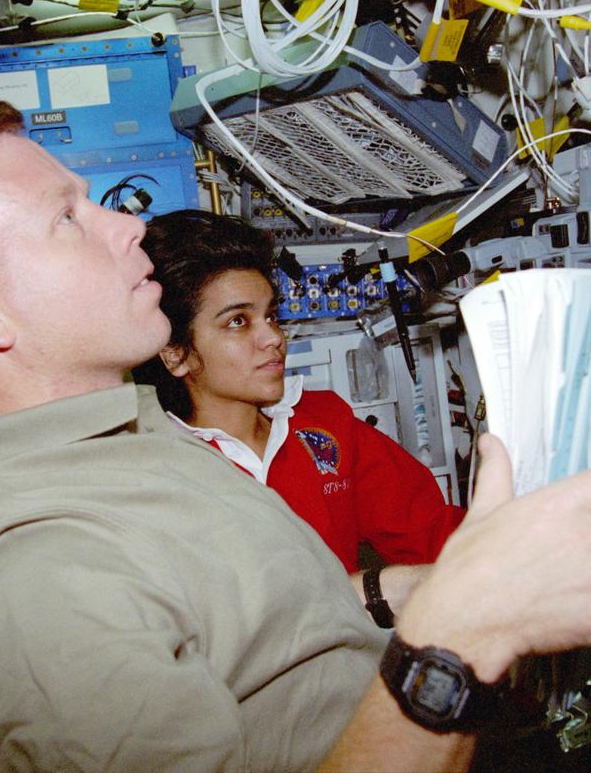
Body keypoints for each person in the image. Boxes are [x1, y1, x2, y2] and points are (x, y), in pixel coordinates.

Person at [0, 97, 591, 772]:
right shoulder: (26, 585)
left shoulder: (111, 451)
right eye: (68, 218)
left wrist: (446, 582)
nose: (126, 224)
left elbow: (266, 636)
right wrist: (462, 636)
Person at [132, 210, 462, 622]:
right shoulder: (155, 475)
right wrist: (378, 590)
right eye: (238, 322)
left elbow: (432, 532)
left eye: (271, 315)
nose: (273, 337)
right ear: (175, 354)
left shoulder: (322, 423)